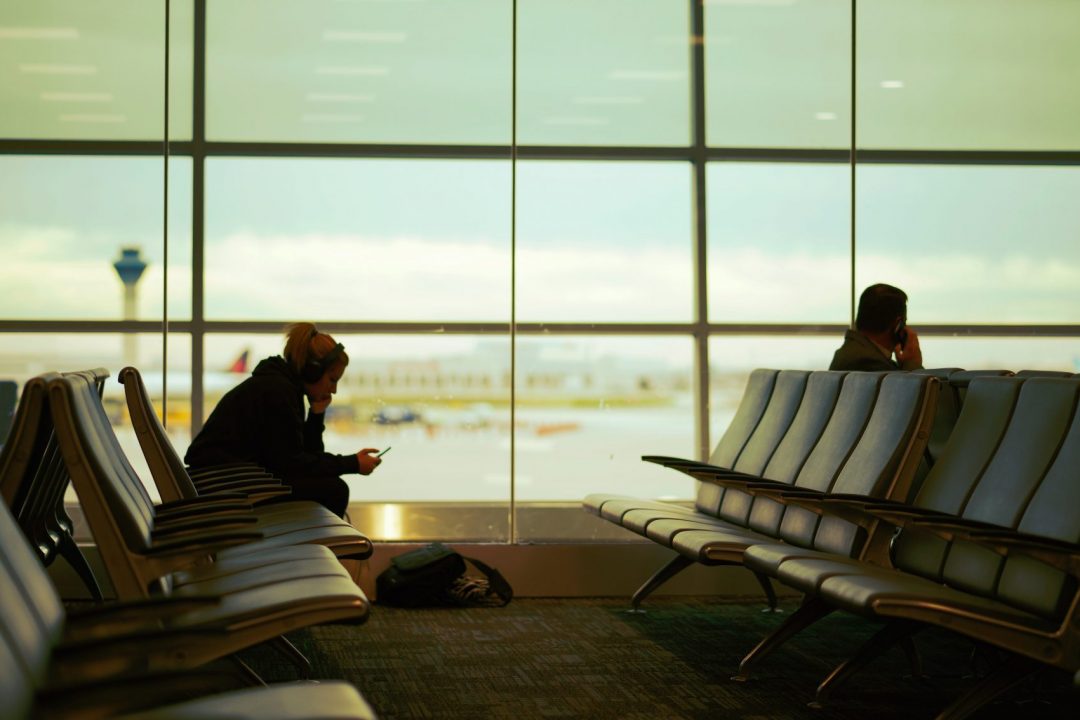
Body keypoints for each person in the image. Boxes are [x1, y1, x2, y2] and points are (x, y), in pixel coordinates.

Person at [184, 322, 382, 518]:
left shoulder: (282, 386)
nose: (334, 390)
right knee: (335, 490)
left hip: (229, 480)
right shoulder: (278, 392)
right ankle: (310, 549)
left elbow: (306, 454)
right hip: (224, 485)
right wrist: (352, 464)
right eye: (332, 379)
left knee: (330, 486)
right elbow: (294, 463)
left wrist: (316, 413)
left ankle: (308, 547)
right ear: (312, 370)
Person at [829, 283, 923, 371]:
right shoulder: (871, 363)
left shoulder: (850, 351)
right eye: (904, 322)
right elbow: (906, 388)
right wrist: (913, 364)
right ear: (897, 325)